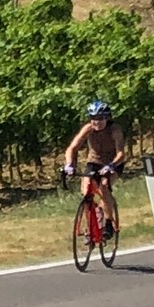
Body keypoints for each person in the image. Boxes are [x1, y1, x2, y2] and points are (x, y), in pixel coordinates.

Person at [61, 100, 126, 237]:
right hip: (94, 162)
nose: (96, 122)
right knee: (86, 192)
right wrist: (69, 164)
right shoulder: (88, 129)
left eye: (100, 118)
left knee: (103, 187)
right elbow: (72, 148)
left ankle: (109, 223)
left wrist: (111, 166)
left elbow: (121, 153)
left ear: (107, 118)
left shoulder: (115, 130)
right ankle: (92, 224)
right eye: (93, 118)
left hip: (113, 162)